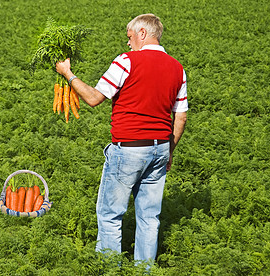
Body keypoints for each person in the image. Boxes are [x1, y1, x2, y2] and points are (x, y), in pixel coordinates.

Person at [55, 14, 188, 265]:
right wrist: (169, 150)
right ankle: (144, 270)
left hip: (129, 148)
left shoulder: (127, 61)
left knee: (109, 214)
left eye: (129, 37)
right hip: (159, 148)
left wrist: (68, 74)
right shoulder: (177, 67)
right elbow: (180, 117)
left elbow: (94, 98)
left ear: (142, 33)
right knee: (150, 218)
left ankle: (109, 269)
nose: (127, 43)